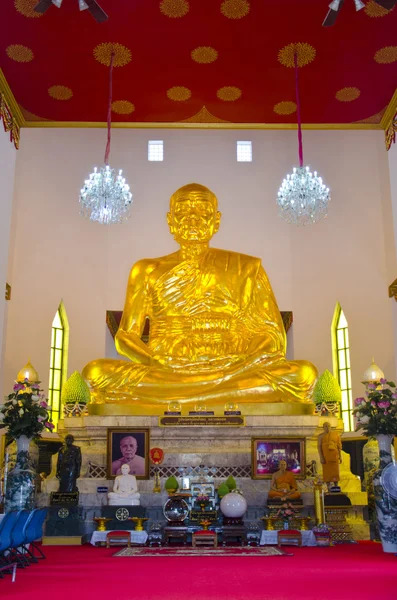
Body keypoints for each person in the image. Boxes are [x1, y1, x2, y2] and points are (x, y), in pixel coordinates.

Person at [83, 183, 317, 406]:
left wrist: (242, 362)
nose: (192, 219)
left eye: (202, 212)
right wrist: (156, 361)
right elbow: (125, 337)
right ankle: (217, 394)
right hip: (166, 369)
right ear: (170, 221)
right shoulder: (146, 270)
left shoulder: (245, 268)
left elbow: (272, 336)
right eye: (183, 212)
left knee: (303, 374)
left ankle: (183, 395)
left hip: (234, 368)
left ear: (216, 221)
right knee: (96, 373)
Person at [318, 422, 342, 490]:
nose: (327, 427)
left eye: (328, 426)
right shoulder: (321, 436)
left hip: (334, 455)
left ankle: (336, 486)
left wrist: (340, 456)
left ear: (330, 427)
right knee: (327, 472)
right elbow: (319, 447)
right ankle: (328, 487)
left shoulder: (336, 435)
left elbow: (339, 446)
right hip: (326, 457)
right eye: (325, 426)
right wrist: (321, 457)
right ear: (323, 428)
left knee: (335, 471)